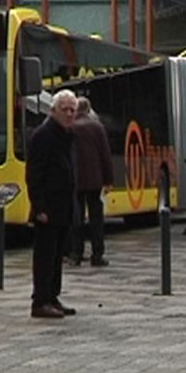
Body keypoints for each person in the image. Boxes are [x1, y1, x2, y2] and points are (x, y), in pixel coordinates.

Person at [26, 89, 78, 319]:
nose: (69, 114)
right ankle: (40, 300)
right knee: (45, 255)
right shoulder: (44, 135)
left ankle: (52, 296)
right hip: (48, 206)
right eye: (64, 109)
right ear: (53, 110)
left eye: (72, 110)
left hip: (63, 205)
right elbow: (34, 174)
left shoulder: (65, 134)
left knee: (58, 254)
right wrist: (39, 207)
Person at [70, 96, 114, 267]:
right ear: (88, 110)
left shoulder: (70, 128)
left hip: (75, 180)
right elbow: (105, 156)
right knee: (96, 219)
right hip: (95, 181)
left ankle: (76, 253)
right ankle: (97, 254)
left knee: (76, 218)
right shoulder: (97, 127)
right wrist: (108, 180)